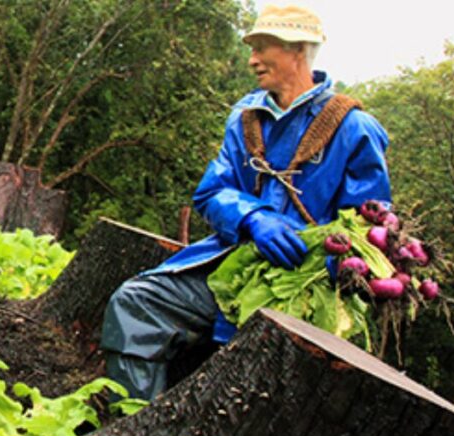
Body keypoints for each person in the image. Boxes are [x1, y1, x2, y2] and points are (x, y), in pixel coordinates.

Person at [100, 5, 392, 401]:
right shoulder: (246, 117)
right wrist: (253, 218)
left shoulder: (354, 128)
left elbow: (369, 226)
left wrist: (322, 263)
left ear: (298, 51)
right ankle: (132, 426)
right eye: (251, 48)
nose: (252, 59)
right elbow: (210, 191)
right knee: (135, 304)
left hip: (303, 295)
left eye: (262, 46)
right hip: (231, 270)